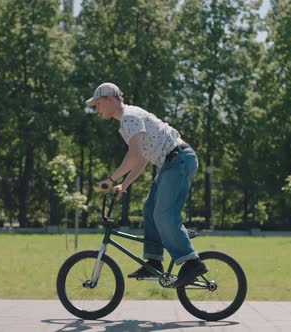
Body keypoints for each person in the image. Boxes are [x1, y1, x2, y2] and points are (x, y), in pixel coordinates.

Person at [87, 82, 207, 287]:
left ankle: (192, 262)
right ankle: (154, 261)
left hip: (179, 161)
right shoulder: (126, 124)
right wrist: (124, 185)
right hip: (171, 164)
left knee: (164, 214)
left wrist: (112, 179)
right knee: (150, 209)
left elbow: (133, 155)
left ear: (109, 99)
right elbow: (140, 159)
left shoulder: (130, 117)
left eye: (97, 104)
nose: (95, 109)